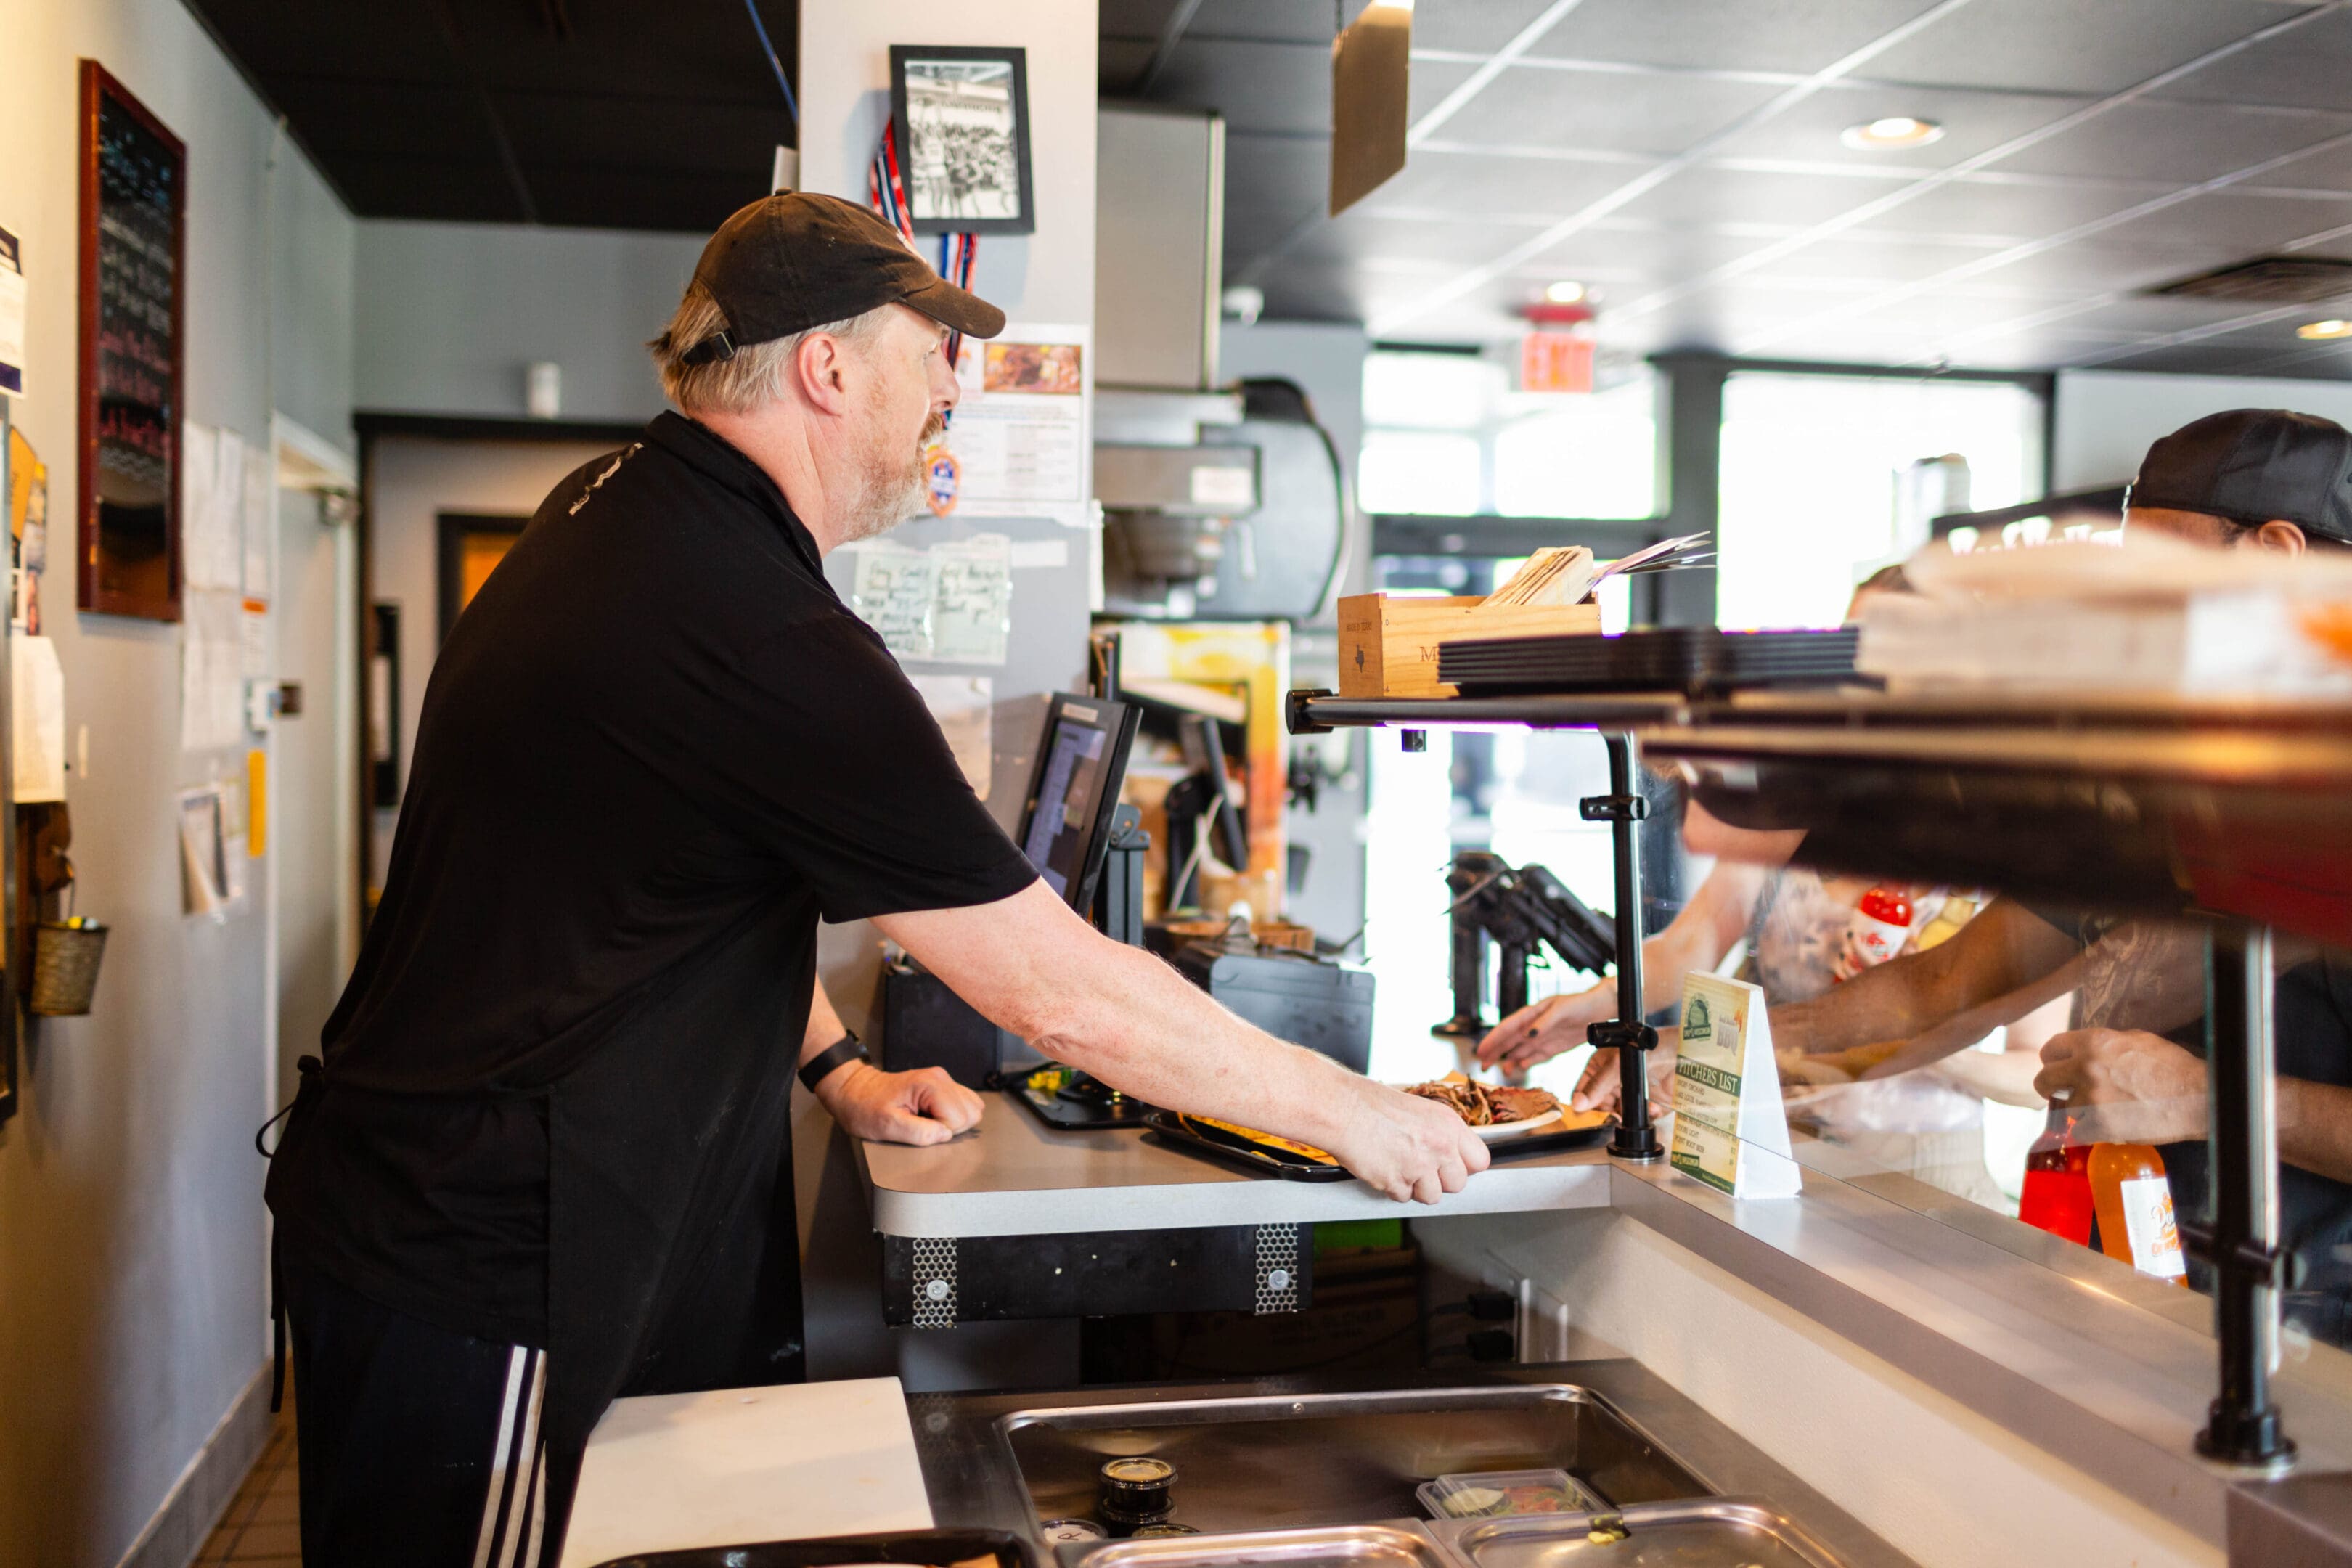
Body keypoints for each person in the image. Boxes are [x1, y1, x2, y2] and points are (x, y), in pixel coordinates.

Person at [262, 193, 1487, 1568]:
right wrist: (1349, 1111)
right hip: (485, 1266)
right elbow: (1061, 994)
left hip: (500, 1218)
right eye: (935, 349)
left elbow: (681, 890)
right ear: (826, 367)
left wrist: (839, 1067)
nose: (956, 384)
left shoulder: (633, 513)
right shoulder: (756, 625)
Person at [1572, 408, 2352, 1335]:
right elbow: (1949, 985)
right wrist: (1705, 1057)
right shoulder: (2166, 778)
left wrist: (2211, 1099)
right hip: (2125, 1280)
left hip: (2311, 1334)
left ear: (2277, 550)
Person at [1477, 570, 2058, 1201]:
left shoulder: (2013, 849)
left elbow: (2033, 1073)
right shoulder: (1795, 808)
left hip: (1929, 1177)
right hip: (1772, 1148)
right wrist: (1605, 1007)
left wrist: (1925, 1045)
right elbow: (1689, 943)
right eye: (1849, 649)